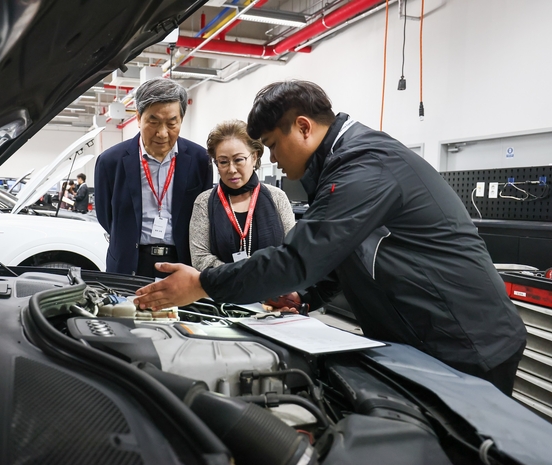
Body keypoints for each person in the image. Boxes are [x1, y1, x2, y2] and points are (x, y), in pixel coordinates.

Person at [134, 80, 527, 396]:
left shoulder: (366, 165)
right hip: (426, 339)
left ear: (303, 127)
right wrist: (305, 297)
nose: (271, 160)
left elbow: (297, 259)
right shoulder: (343, 165)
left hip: (466, 343)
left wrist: (203, 284)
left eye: (271, 145)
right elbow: (345, 251)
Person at [95, 78, 212, 277]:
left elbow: (202, 215)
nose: (162, 133)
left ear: (181, 119)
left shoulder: (199, 159)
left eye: (171, 123)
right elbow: (106, 217)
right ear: (139, 118)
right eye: (153, 122)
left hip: (182, 263)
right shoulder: (110, 162)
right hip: (129, 262)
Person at [190, 120, 294, 271]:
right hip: (223, 291)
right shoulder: (204, 202)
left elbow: (291, 250)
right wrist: (242, 274)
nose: (231, 169)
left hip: (271, 289)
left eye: (238, 159)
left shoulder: (277, 197)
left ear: (254, 157)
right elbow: (200, 258)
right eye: (223, 162)